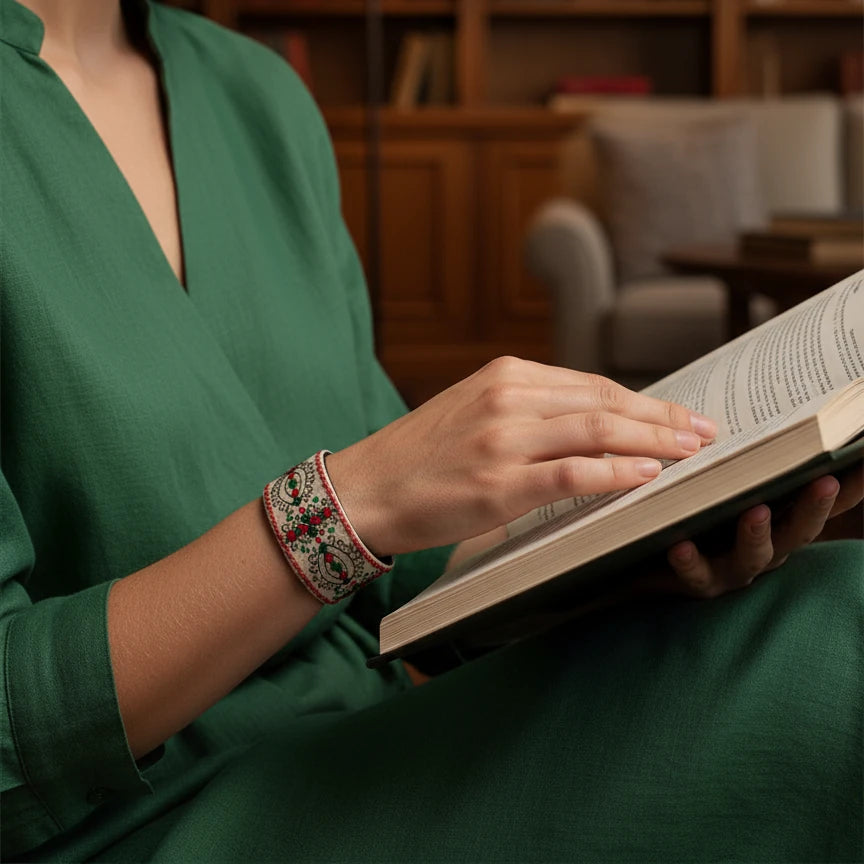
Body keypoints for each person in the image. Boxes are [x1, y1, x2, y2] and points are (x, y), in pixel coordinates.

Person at [1, 0, 861, 860]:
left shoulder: (253, 92)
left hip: (366, 741)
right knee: (838, 639)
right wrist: (346, 508)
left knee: (821, 599)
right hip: (129, 823)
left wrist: (637, 547)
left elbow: (407, 570)